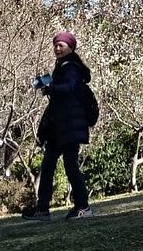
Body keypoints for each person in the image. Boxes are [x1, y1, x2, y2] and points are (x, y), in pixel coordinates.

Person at [23, 32, 93, 221]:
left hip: (70, 125)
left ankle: (83, 206)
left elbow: (69, 87)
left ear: (71, 48)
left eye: (61, 45)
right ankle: (42, 209)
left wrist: (51, 88)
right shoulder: (61, 67)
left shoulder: (71, 67)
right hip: (58, 126)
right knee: (47, 166)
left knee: (70, 166)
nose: (57, 49)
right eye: (55, 45)